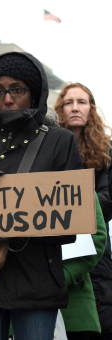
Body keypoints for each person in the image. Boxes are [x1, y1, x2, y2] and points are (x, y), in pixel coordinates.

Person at [0, 52, 83, 340]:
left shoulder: (60, 141)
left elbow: (72, 226)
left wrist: (14, 226)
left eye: (17, 89)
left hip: (37, 283)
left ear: (34, 93)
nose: (7, 99)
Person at [54, 83, 112, 340]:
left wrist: (77, 201)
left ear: (92, 109)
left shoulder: (107, 152)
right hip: (58, 243)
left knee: (97, 320)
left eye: (82, 102)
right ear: (60, 109)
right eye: (68, 102)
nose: (75, 108)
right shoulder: (50, 149)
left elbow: (109, 199)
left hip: (96, 247)